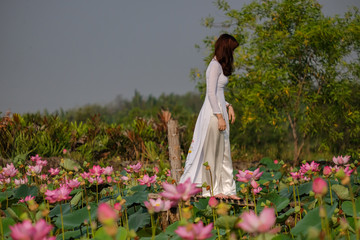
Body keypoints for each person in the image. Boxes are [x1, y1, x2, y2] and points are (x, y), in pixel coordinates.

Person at [179, 34, 239, 199]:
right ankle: (211, 189)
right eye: (232, 49)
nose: (234, 53)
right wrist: (219, 116)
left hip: (220, 110)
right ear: (225, 48)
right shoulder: (214, 66)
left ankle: (229, 189)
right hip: (213, 113)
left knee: (224, 151)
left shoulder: (219, 66)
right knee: (211, 152)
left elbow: (219, 94)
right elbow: (211, 94)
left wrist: (228, 105)